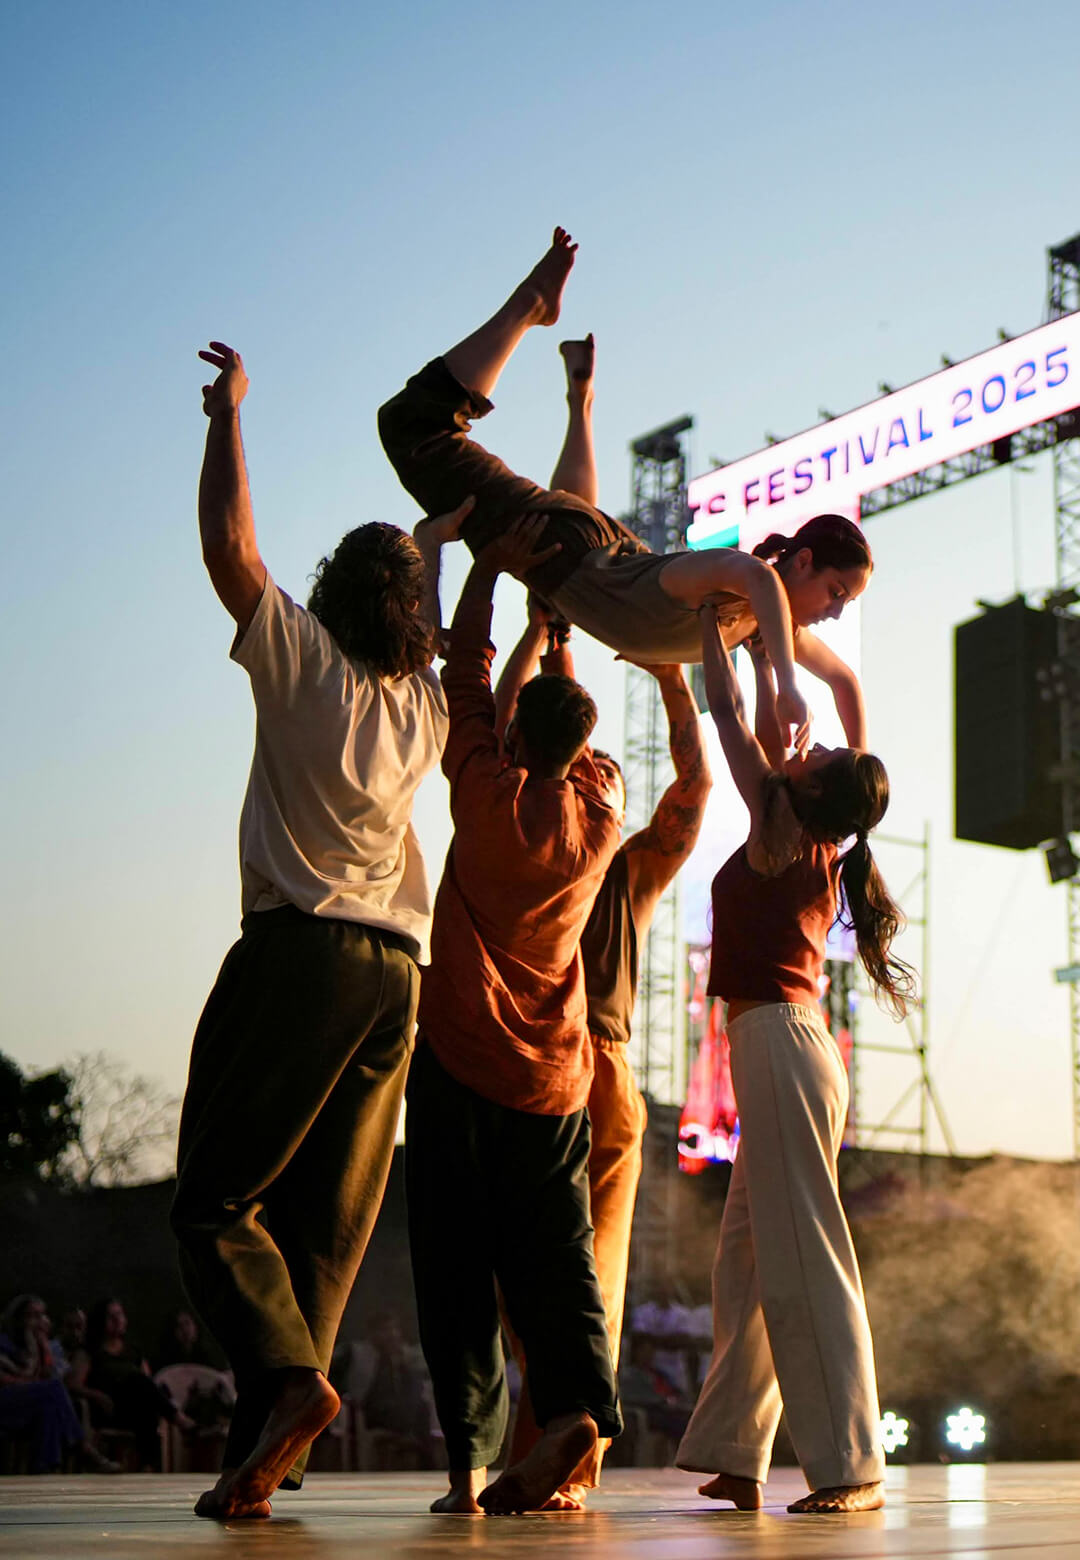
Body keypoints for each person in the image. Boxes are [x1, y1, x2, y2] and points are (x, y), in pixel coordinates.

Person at [170, 342, 449, 1520]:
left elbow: (233, 552)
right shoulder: (428, 708)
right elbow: (434, 552)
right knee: (326, 1232)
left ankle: (287, 1383)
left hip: (302, 956)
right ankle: (268, 1443)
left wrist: (229, 418)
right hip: (400, 980)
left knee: (215, 1202)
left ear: (333, 597)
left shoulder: (303, 664)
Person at [379, 228, 873, 753]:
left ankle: (580, 402)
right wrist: (789, 688)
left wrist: (863, 765)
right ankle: (530, 306)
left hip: (588, 555)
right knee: (413, 426)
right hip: (567, 549)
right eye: (836, 592)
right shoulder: (734, 587)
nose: (836, 611)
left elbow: (845, 681)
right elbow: (758, 575)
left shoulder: (761, 625)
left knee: (558, 572)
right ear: (801, 562)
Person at [491, 335, 712, 1509]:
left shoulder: (513, 838)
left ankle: (527, 1442)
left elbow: (498, 711)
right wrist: (672, 673)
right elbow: (692, 796)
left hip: (541, 1067)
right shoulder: (621, 864)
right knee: (597, 1272)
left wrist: (535, 635)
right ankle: (571, 1448)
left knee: (529, 1270)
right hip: (613, 1073)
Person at [406, 514, 624, 1516]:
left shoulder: (483, 797)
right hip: (557, 1078)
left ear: (516, 741)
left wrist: (488, 574)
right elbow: (552, 727)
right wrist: (561, 633)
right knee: (558, 1256)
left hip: (458, 1064)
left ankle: (465, 1467)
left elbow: (464, 682)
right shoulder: (602, 810)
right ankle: (578, 1407)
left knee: (456, 1266)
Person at [674, 607, 915, 1514]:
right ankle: (738, 1451)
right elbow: (762, 722)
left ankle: (851, 1466)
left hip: (781, 1046)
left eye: (820, 762)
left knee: (802, 1255)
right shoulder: (811, 835)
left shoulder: (781, 825)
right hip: (781, 1047)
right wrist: (753, 639)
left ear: (813, 794)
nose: (808, 751)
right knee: (745, 1262)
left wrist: (712, 627)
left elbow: (729, 720)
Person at [0, 1295, 118, 1474]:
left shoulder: (34, 1347)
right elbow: (8, 1380)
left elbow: (44, 1376)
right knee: (53, 1389)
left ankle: (44, 1469)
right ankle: (85, 1450)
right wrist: (32, 1378)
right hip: (5, 1403)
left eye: (41, 1315)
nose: (38, 1321)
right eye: (32, 1316)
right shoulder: (5, 1344)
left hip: (24, 1405)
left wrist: (41, 1347)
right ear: (17, 1319)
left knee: (49, 1406)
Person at [78, 1298, 185, 1471]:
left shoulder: (133, 1351)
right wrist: (98, 1396)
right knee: (139, 1382)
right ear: (100, 1320)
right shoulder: (91, 1351)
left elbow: (148, 1385)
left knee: (143, 1392)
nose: (117, 1320)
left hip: (133, 1409)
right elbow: (72, 1384)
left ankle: (148, 1465)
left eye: (120, 1315)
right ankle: (177, 1419)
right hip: (108, 1409)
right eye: (111, 1316)